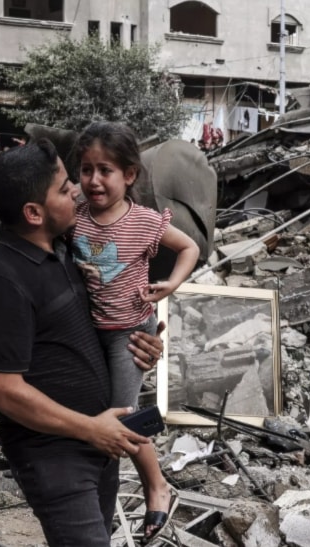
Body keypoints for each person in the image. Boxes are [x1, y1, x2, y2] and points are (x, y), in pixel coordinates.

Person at [0, 141, 165, 547]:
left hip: (100, 438)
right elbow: (4, 391)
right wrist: (91, 429)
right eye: (62, 187)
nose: (76, 189)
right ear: (33, 213)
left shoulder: (66, 246)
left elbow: (99, 322)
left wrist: (144, 343)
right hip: (55, 454)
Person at [71, 121, 199, 542]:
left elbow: (189, 247)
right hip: (90, 329)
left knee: (122, 416)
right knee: (103, 411)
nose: (93, 180)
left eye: (104, 170)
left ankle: (155, 486)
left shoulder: (144, 221)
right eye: (86, 169)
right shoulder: (74, 215)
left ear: (129, 175)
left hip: (130, 332)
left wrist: (173, 283)